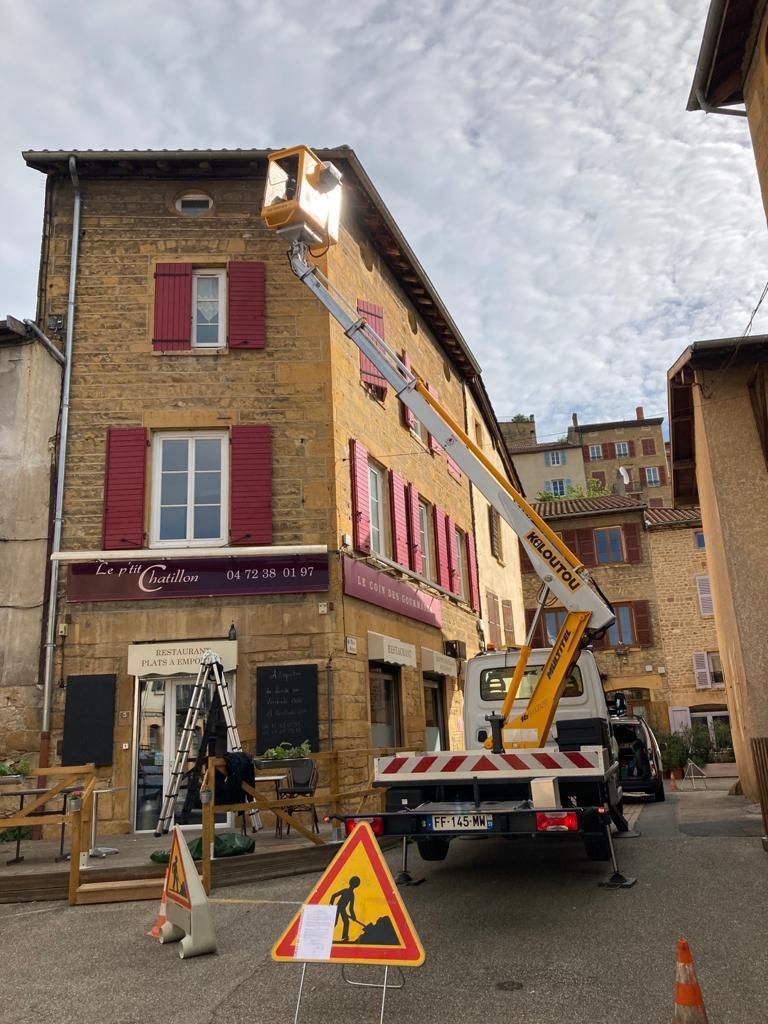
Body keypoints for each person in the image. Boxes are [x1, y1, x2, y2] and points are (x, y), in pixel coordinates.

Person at [329, 876, 361, 942]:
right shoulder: (346, 891)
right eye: (354, 884)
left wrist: (353, 916)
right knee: (335, 923)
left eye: (355, 884)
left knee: (346, 922)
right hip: (337, 908)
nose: (354, 885)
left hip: (342, 909)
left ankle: (344, 937)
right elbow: (333, 896)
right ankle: (326, 935)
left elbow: (350, 908)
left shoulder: (351, 894)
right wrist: (331, 906)